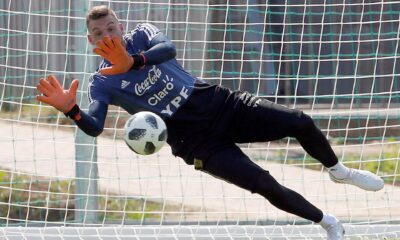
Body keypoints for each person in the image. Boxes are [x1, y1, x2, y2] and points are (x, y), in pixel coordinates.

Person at [36, 5, 384, 240]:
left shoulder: (141, 35)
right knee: (264, 184)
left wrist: (135, 61)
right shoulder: (102, 82)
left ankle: (339, 171)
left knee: (300, 121)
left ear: (121, 26)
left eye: (111, 27)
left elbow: (168, 49)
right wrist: (72, 110)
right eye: (99, 33)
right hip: (194, 141)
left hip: (220, 105)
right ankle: (329, 223)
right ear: (91, 41)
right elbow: (94, 125)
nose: (107, 34)